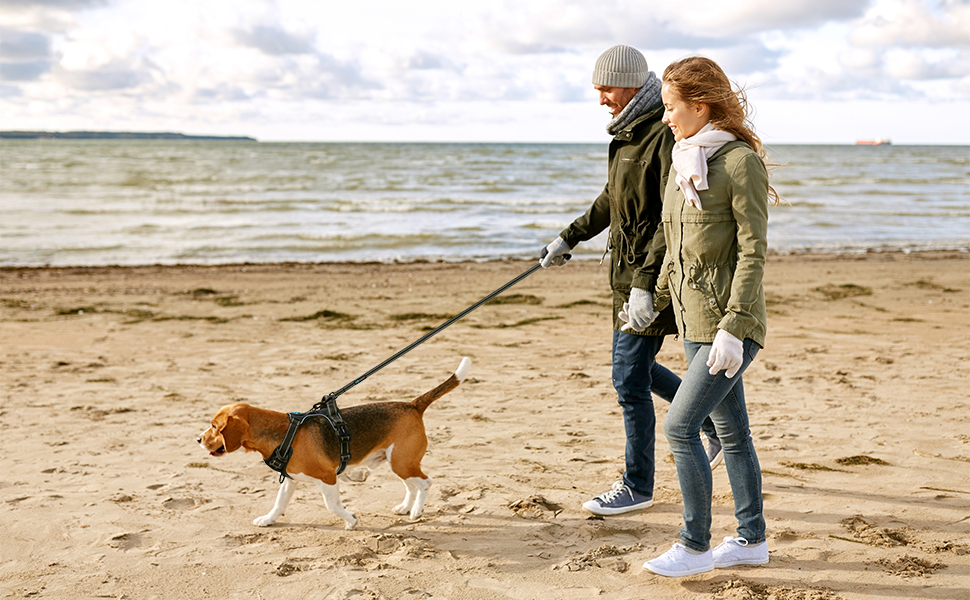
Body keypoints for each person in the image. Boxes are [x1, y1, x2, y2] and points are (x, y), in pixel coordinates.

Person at [540, 45, 720, 518]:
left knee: (627, 379)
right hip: (626, 276)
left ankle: (638, 485)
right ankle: (711, 420)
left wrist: (644, 285)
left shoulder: (662, 134)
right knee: (634, 372)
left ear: (632, 83)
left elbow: (671, 216)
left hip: (653, 278)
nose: (600, 97)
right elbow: (611, 199)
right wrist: (569, 237)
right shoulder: (625, 135)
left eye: (606, 87)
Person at [641, 56, 781, 578]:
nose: (665, 118)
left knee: (681, 426)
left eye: (672, 108)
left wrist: (734, 326)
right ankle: (751, 539)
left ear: (700, 106)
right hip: (694, 320)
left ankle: (694, 545)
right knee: (735, 435)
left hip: (729, 327)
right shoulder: (687, 160)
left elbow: (753, 252)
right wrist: (652, 298)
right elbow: (679, 245)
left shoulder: (738, 161)